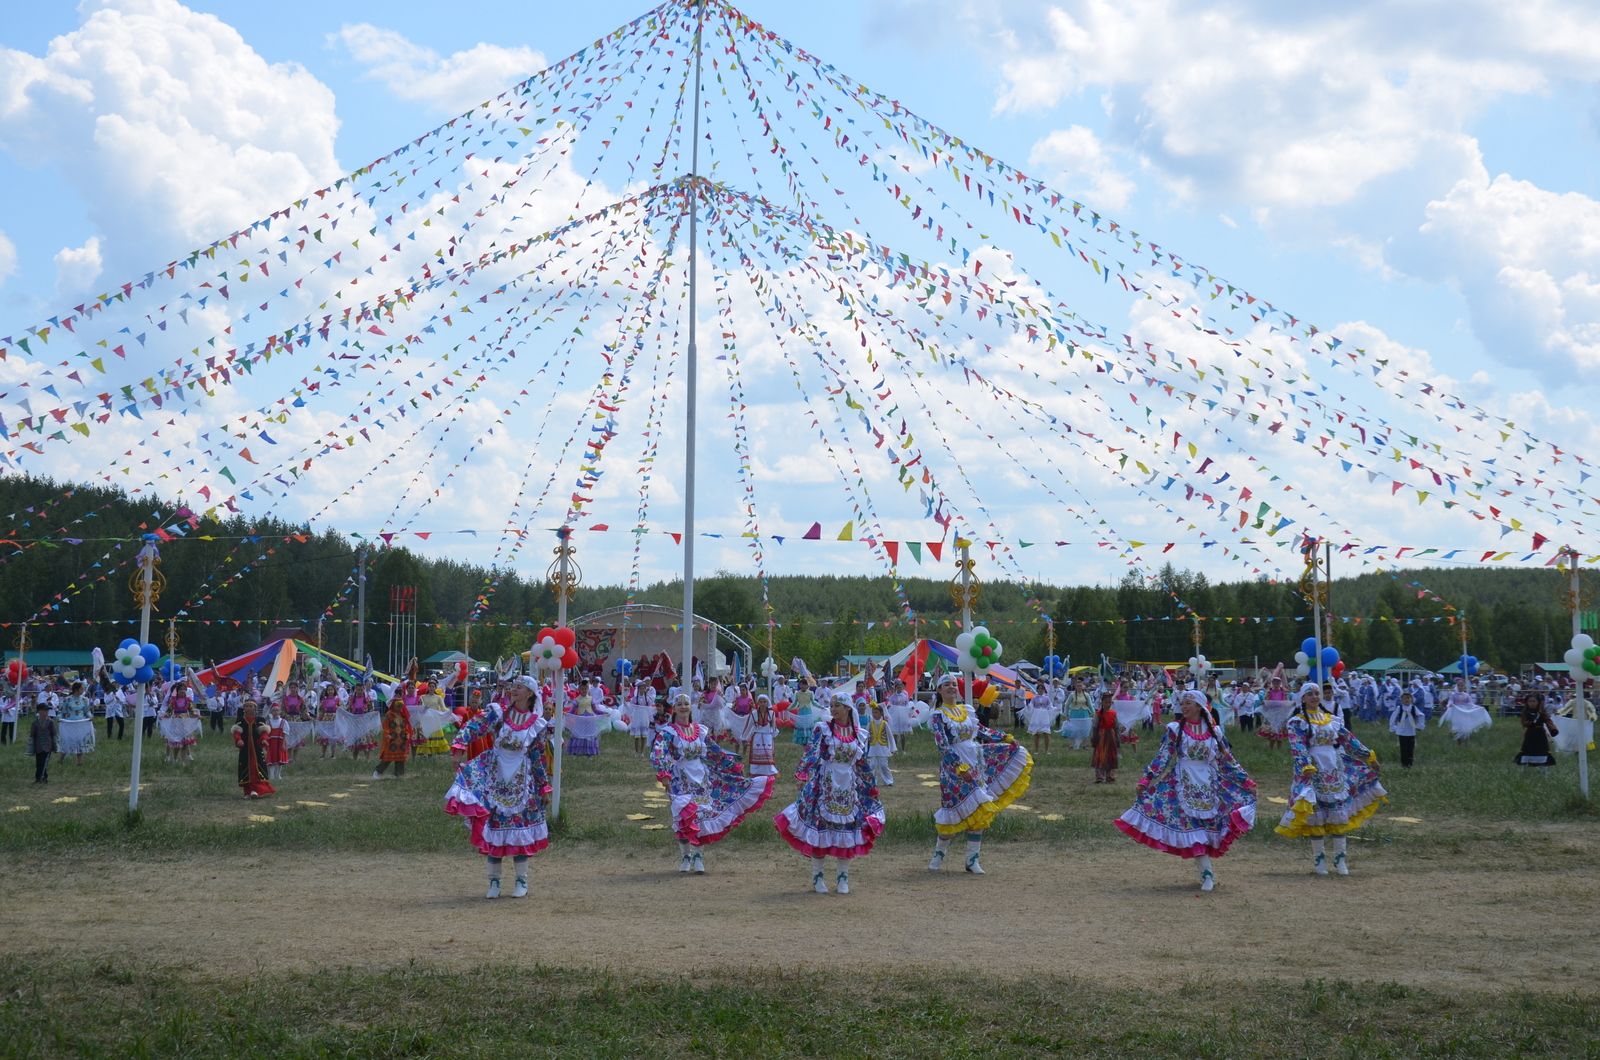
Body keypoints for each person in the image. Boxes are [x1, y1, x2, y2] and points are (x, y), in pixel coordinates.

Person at [1115, 688, 1257, 892]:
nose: (1184, 706)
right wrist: (1146, 779)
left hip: (1210, 784)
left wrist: (1246, 782)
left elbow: (1227, 759)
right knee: (1194, 830)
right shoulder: (1175, 729)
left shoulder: (1215, 732)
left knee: (1207, 830)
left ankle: (1205, 871)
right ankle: (1207, 873)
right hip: (1182, 783)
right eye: (1183, 702)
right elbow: (1163, 757)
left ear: (1200, 706)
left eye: (1189, 703)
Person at [445, 679, 552, 899]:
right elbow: (473, 727)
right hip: (494, 776)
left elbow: (538, 756)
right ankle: (494, 882)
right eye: (513, 687)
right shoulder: (499, 714)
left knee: (518, 832)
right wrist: (459, 747)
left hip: (520, 780)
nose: (514, 690)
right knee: (493, 831)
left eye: (519, 688)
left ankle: (521, 881)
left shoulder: (537, 724)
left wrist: (543, 786)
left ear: (530, 694)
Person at [650, 693, 775, 874]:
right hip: (680, 779)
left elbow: (714, 751)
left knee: (702, 815)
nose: (683, 707)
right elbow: (658, 753)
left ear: (690, 707)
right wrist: (664, 774)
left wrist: (731, 764)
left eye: (686, 703)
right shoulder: (668, 733)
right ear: (674, 708)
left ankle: (698, 856)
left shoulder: (700, 730)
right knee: (683, 817)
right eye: (680, 704)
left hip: (701, 778)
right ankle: (685, 856)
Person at [775, 698, 886, 894]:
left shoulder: (859, 734)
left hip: (848, 786)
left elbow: (862, 763)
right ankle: (817, 877)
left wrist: (871, 786)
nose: (833, 709)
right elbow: (812, 752)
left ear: (847, 709)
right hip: (825, 783)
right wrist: (802, 772)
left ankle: (843, 877)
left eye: (838, 706)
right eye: (832, 706)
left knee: (847, 829)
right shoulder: (823, 728)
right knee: (821, 828)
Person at [1274, 682, 1386, 875]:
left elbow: (1349, 740)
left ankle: (1340, 859)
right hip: (1312, 770)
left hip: (1334, 769)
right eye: (1310, 694)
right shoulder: (1297, 722)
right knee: (1316, 814)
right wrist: (1306, 765)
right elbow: (1297, 746)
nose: (1315, 697)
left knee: (1338, 812)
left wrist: (1368, 756)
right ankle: (1320, 861)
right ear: (1302, 698)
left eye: (1317, 693)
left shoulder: (1332, 720)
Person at [926, 673, 1033, 874]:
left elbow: (982, 731)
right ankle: (938, 855)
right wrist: (959, 768)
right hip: (953, 769)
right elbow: (943, 745)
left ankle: (972, 860)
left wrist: (1005, 737)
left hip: (975, 764)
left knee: (980, 808)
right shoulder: (937, 716)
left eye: (953, 684)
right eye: (946, 685)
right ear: (939, 690)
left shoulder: (966, 710)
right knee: (952, 811)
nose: (951, 687)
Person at [231, 699, 276, 799]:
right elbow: (237, 733)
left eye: (251, 706)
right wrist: (238, 740)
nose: (248, 708)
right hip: (245, 749)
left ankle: (256, 790)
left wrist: (264, 740)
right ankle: (247, 791)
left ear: (255, 708)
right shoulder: (240, 721)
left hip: (256, 749)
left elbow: (263, 733)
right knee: (246, 768)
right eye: (246, 706)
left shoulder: (259, 720)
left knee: (256, 767)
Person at [373, 691, 414, 779]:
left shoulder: (403, 715)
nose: (399, 708)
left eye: (401, 706)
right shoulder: (389, 715)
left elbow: (406, 726)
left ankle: (399, 774)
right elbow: (385, 726)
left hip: (401, 739)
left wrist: (407, 734)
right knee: (388, 757)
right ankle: (378, 771)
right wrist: (387, 734)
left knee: (401, 758)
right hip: (392, 739)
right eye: (397, 706)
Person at [1515, 691, 1559, 770]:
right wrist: (1530, 723)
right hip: (1530, 735)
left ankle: (1544, 772)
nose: (1532, 703)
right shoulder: (1525, 712)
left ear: (1538, 702)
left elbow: (1548, 721)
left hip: (1540, 735)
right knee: (1527, 752)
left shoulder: (1542, 713)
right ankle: (1523, 771)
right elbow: (1524, 722)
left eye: (1534, 701)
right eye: (1530, 701)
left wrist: (1553, 729)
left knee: (1542, 752)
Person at [1439, 680, 1492, 744]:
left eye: (1462, 686)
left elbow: (1471, 704)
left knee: (1465, 728)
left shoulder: (1466, 695)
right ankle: (1459, 742)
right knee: (1458, 728)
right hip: (1457, 712)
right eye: (1459, 686)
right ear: (1457, 686)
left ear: (1464, 687)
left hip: (1465, 712)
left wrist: (1478, 707)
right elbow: (1451, 701)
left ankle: (1466, 742)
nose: (1460, 687)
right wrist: (1449, 705)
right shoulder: (1453, 695)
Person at [56, 681, 96, 764]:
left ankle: (79, 762)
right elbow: (61, 711)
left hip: (81, 723)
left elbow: (86, 711)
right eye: (82, 689)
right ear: (76, 690)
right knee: (68, 741)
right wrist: (59, 718)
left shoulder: (85, 700)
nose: (83, 690)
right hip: (69, 724)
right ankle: (61, 759)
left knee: (80, 741)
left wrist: (90, 716)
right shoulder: (68, 699)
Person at [741, 693, 779, 779]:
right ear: (758, 703)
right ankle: (755, 771)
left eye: (764, 702)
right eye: (761, 702)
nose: (762, 704)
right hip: (757, 736)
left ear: (767, 702)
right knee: (757, 753)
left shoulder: (771, 713)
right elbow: (749, 726)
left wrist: (773, 735)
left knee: (767, 754)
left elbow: (774, 726)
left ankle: (769, 770)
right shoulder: (754, 713)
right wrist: (744, 737)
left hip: (768, 736)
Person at [1091, 689, 1120, 784]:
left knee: (1110, 755)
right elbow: (1094, 727)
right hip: (1101, 737)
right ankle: (1099, 776)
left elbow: (1116, 727)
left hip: (1111, 736)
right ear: (1102, 702)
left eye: (1110, 702)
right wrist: (1094, 737)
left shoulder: (1113, 713)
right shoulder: (1098, 714)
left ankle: (1110, 775)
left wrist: (1117, 738)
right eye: (1106, 702)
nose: (1108, 704)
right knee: (1100, 755)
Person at [1389, 690, 1423, 769]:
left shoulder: (1414, 708)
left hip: (1411, 732)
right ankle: (1404, 764)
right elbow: (1392, 717)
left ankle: (1410, 764)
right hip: (1402, 732)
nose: (1406, 700)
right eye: (1404, 698)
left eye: (1408, 698)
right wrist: (1393, 727)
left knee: (1411, 749)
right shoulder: (1399, 708)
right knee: (1403, 749)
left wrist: (1420, 725)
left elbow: (1421, 715)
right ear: (1401, 700)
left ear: (1411, 699)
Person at [865, 700, 896, 787]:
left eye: (876, 712)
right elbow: (866, 736)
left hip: (883, 748)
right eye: (873, 712)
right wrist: (864, 748)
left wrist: (892, 748)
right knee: (872, 765)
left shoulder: (885, 724)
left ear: (881, 713)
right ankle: (872, 781)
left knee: (883, 765)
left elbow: (890, 736)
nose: (875, 714)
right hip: (873, 747)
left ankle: (889, 780)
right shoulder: (870, 724)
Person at [1024, 682, 1058, 755]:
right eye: (1039, 689)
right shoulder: (1034, 698)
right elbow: (1031, 706)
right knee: (1036, 733)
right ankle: (1036, 750)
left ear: (1044, 690)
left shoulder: (1047, 698)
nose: (1040, 690)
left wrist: (1055, 709)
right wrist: (1027, 707)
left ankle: (1047, 750)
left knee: (1046, 733)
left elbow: (1050, 706)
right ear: (1037, 690)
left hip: (1044, 716)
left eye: (1042, 689)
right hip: (1036, 715)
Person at [28, 700, 56, 783]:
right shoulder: (35, 723)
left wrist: (55, 746)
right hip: (38, 746)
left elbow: (54, 734)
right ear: (39, 711)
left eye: (47, 711)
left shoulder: (50, 722)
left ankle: (43, 777)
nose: (45, 713)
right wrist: (31, 747)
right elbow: (32, 735)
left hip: (48, 745)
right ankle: (39, 777)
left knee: (44, 762)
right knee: (39, 762)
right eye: (44, 711)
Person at [626, 678, 656, 756]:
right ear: (638, 689)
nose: (642, 689)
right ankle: (636, 751)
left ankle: (642, 752)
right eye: (641, 688)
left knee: (644, 735)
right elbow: (631, 707)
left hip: (644, 718)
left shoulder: (647, 699)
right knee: (637, 736)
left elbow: (650, 708)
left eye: (643, 688)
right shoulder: (635, 699)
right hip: (637, 717)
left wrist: (651, 718)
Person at [264, 702, 289, 782]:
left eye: (277, 710)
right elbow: (266, 733)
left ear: (280, 711)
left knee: (279, 759)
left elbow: (285, 733)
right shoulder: (268, 722)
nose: (275, 712)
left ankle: (278, 775)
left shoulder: (283, 722)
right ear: (271, 712)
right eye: (274, 710)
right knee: (271, 759)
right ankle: (271, 775)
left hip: (280, 742)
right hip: (271, 743)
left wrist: (284, 743)